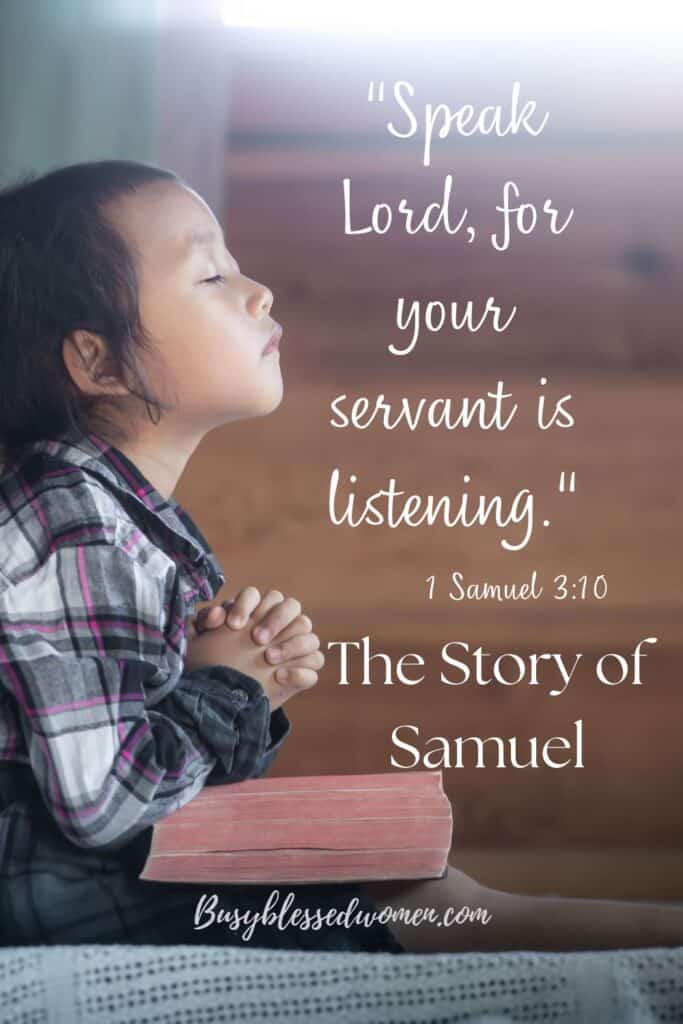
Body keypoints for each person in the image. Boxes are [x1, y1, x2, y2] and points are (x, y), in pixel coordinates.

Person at [0, 160, 679, 955]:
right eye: (211, 275)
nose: (258, 292)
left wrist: (233, 681)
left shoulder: (114, 512)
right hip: (71, 904)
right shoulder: (71, 520)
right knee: (436, 909)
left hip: (102, 873)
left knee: (431, 892)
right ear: (100, 363)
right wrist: (226, 686)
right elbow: (102, 801)